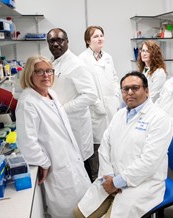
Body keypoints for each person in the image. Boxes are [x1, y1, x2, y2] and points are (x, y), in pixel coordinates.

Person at [74, 71, 173, 218]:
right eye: (125, 89)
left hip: (141, 183)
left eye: (135, 88)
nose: (130, 92)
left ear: (146, 91)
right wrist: (108, 175)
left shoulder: (160, 119)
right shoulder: (120, 114)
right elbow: (104, 147)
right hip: (111, 178)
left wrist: (117, 182)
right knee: (79, 213)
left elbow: (149, 162)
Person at [16, 55, 91, 218]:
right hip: (56, 169)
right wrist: (43, 163)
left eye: (49, 71)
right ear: (30, 74)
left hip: (71, 161)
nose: (46, 75)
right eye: (39, 71)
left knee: (84, 208)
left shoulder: (51, 94)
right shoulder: (27, 102)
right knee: (67, 212)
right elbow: (27, 143)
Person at [47, 28, 97, 181]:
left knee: (82, 167)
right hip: (63, 123)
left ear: (67, 42)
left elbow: (90, 95)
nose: (56, 44)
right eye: (52, 41)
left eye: (59, 40)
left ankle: (91, 202)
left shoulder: (76, 64)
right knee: (73, 168)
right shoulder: (54, 62)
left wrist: (62, 109)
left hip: (76, 125)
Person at [78, 26, 121, 181]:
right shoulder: (82, 59)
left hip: (111, 106)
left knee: (111, 142)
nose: (100, 38)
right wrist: (96, 104)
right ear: (88, 40)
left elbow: (115, 78)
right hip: (94, 109)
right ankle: (97, 179)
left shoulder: (108, 57)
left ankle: (111, 178)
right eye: (96, 36)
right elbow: (83, 86)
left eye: (101, 35)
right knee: (97, 145)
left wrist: (117, 95)